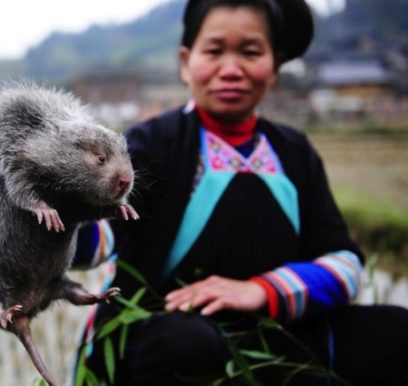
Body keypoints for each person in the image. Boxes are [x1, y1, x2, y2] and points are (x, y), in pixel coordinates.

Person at [72, 0, 408, 385]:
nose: (231, 70)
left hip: (277, 333)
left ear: (275, 67)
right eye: (214, 51)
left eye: (250, 52)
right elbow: (104, 232)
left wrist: (262, 290)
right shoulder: (152, 144)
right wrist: (57, 225)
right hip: (169, 335)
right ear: (186, 63)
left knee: (396, 330)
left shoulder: (294, 152)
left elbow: (345, 265)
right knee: (185, 346)